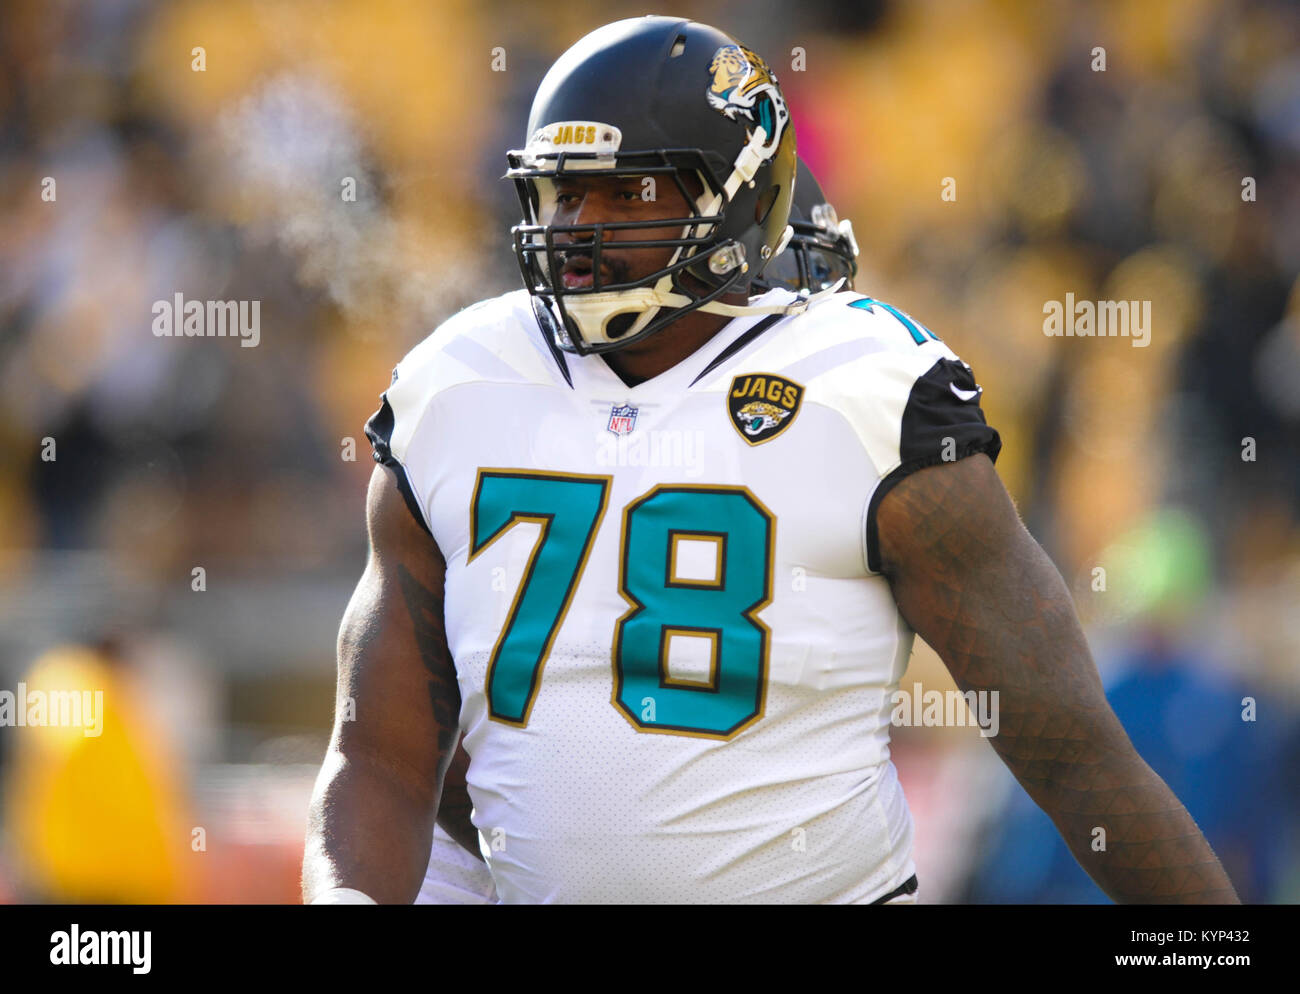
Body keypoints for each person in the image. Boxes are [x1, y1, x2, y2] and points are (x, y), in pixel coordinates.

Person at [304, 15, 1237, 904]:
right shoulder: (460, 384)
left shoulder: (863, 388)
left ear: (732, 196)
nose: (578, 227)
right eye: (561, 190)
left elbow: (1072, 752)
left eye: (624, 191)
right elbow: (377, 757)